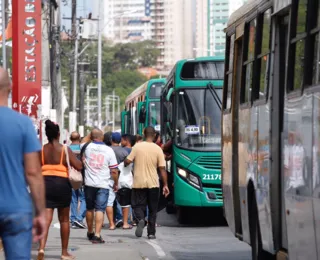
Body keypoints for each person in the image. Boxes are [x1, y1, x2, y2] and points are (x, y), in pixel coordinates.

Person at [0, 68, 46, 260]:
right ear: (10, 87)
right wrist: (41, 213)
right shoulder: (23, 124)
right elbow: (33, 172)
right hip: (16, 208)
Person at [38, 120, 82, 260]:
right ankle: (64, 252)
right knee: (64, 220)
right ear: (58, 134)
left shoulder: (42, 149)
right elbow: (78, 166)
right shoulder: (64, 149)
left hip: (46, 184)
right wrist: (82, 161)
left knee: (46, 219)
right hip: (62, 185)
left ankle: (41, 248)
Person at [125, 126, 170, 239]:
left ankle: (140, 219)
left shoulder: (137, 147)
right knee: (153, 209)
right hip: (153, 184)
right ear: (154, 135)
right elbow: (162, 169)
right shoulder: (158, 149)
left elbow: (128, 161)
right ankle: (151, 233)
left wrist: (126, 162)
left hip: (138, 183)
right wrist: (165, 185)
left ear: (144, 134)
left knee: (137, 205)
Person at [83, 129, 119, 243]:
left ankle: (90, 232)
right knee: (100, 209)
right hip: (103, 184)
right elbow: (114, 170)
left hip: (89, 183)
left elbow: (84, 140)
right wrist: (116, 183)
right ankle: (97, 235)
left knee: (89, 208)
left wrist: (91, 135)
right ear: (102, 137)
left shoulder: (86, 147)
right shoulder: (109, 150)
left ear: (91, 136)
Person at [110, 132, 132, 230]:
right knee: (124, 202)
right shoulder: (124, 152)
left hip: (109, 178)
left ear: (111, 140)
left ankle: (111, 223)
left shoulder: (107, 150)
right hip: (123, 179)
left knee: (110, 202)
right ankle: (124, 221)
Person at [69, 131, 86, 229]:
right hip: (81, 177)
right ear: (79, 138)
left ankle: (73, 219)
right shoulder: (82, 148)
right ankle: (79, 219)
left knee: (73, 199)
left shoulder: (67, 149)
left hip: (71, 177)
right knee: (84, 198)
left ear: (70, 139)